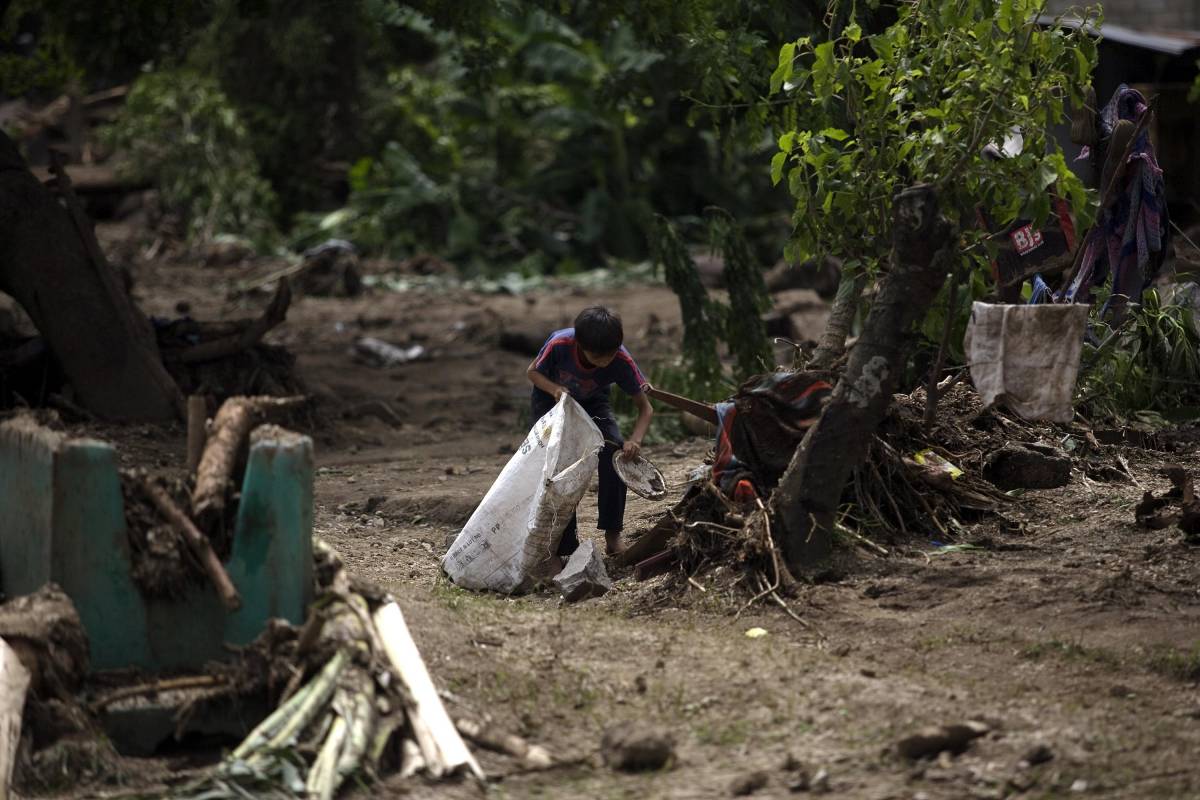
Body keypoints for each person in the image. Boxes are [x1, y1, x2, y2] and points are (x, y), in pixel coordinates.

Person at [526, 306, 653, 561]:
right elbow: (532, 373)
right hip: (552, 400)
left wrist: (634, 440)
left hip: (594, 402)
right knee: (558, 466)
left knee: (615, 453)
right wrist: (555, 390)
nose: (605, 361)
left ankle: (613, 534)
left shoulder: (620, 360)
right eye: (598, 357)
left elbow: (646, 408)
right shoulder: (560, 343)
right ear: (579, 344)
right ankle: (563, 547)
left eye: (610, 355)